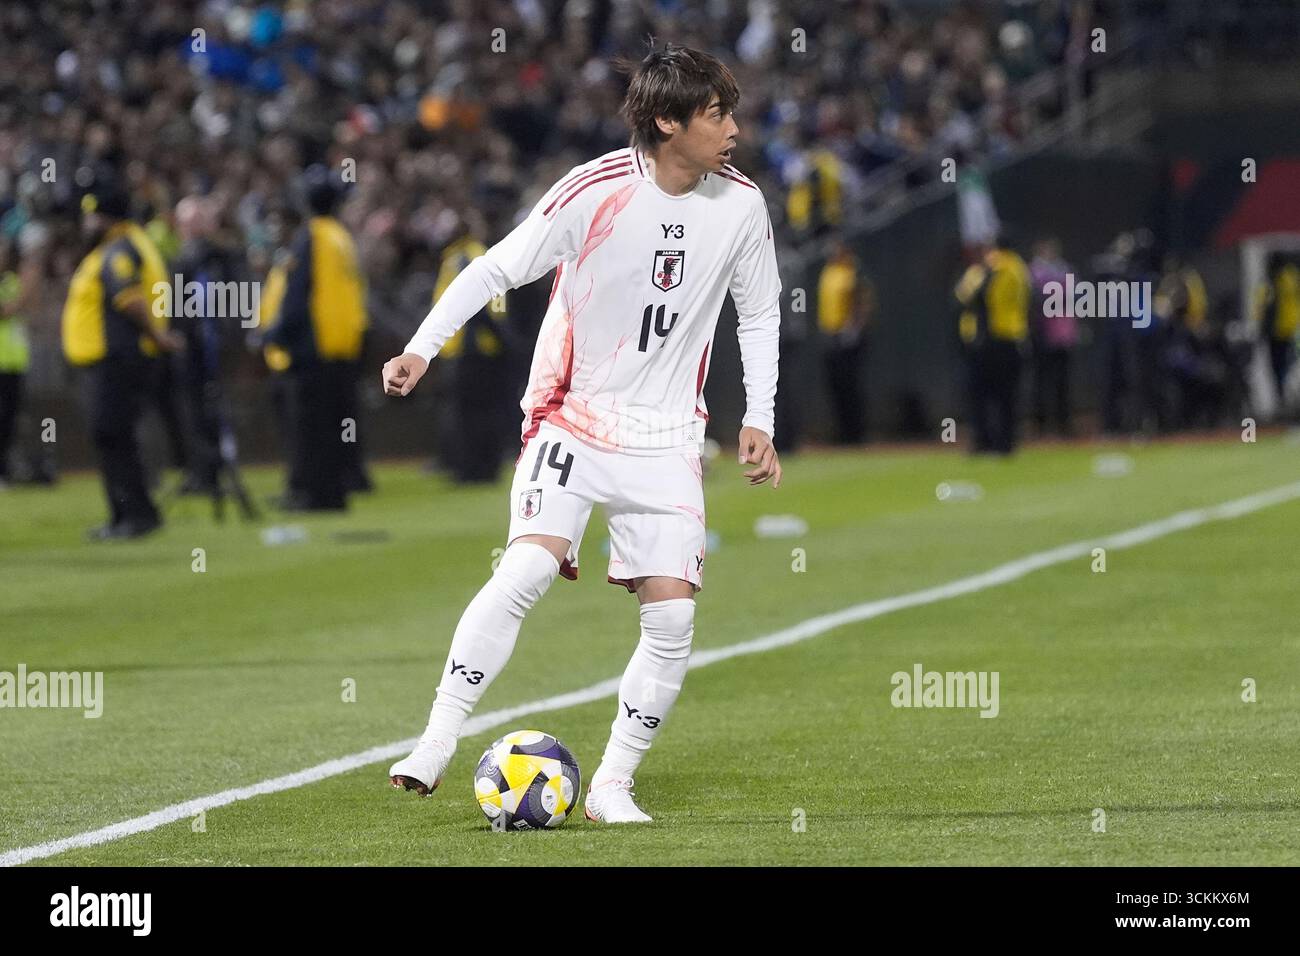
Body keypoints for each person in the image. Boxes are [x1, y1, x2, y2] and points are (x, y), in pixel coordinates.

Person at [382, 44, 782, 823]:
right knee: (527, 571)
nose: (733, 127)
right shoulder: (594, 191)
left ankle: (610, 786)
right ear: (667, 121)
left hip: (668, 436)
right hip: (576, 413)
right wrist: (421, 347)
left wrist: (759, 416)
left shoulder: (741, 204)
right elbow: (497, 269)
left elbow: (759, 311)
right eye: (716, 113)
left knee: (672, 618)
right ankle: (435, 739)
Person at [61, 169, 181, 539]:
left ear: (106, 216)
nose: (86, 222)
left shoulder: (118, 250)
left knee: (112, 434)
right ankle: (134, 512)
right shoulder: (131, 243)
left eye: (91, 214)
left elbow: (129, 299)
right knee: (118, 434)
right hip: (121, 359)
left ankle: (132, 516)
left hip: (116, 359)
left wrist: (157, 336)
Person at [259, 165, 368, 511]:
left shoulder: (313, 235)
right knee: (333, 426)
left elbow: (298, 292)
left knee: (310, 428)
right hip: (340, 348)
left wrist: (275, 334)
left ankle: (316, 495)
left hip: (313, 348)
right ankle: (331, 490)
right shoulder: (341, 236)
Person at [954, 235, 1030, 454]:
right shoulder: (1019, 268)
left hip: (986, 339)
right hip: (1010, 336)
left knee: (981, 395)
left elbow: (962, 297)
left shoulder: (987, 268)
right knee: (1006, 395)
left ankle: (983, 441)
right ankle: (1005, 443)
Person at [817, 238, 872, 444]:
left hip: (849, 337)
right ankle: (842, 433)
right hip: (831, 335)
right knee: (835, 387)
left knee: (852, 386)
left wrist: (854, 329)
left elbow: (862, 301)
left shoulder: (854, 271)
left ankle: (856, 433)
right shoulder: (828, 272)